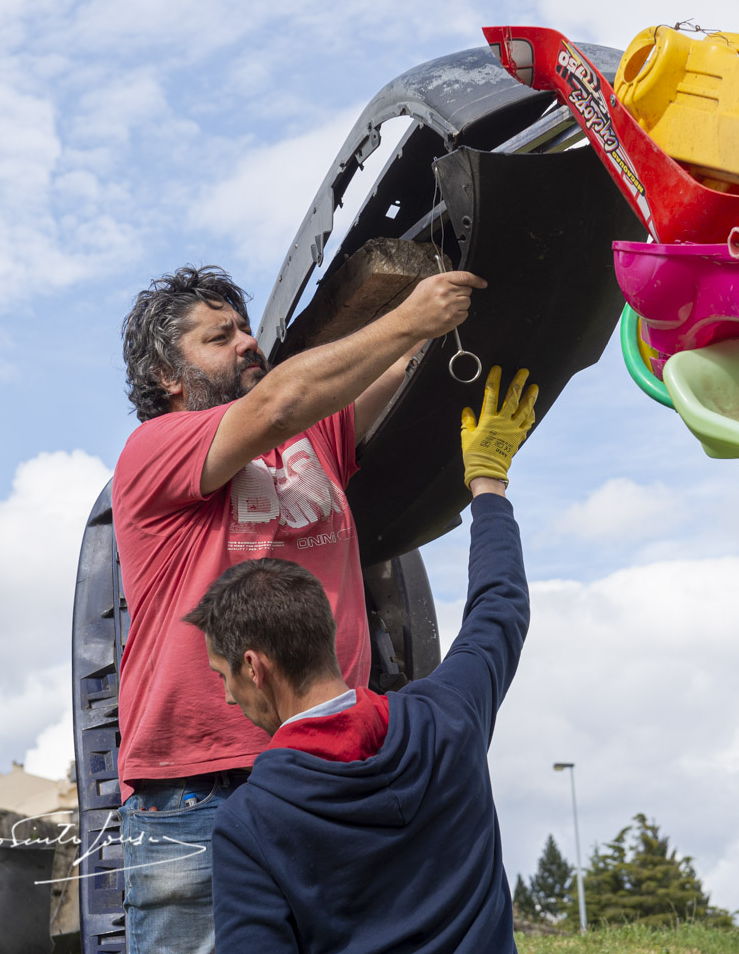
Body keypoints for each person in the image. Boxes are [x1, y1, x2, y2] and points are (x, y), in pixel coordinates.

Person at [112, 263, 482, 953]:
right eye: (220, 337)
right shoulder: (155, 449)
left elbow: (399, 363)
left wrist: (460, 293)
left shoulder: (315, 436)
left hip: (327, 765)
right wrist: (410, 316)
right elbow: (281, 402)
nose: (248, 342)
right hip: (200, 787)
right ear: (168, 375)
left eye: (245, 328)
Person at [185, 366, 538, 953]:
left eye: (223, 676)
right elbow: (499, 610)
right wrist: (488, 483)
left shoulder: (252, 823)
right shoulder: (447, 718)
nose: (225, 695)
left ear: (254, 667)